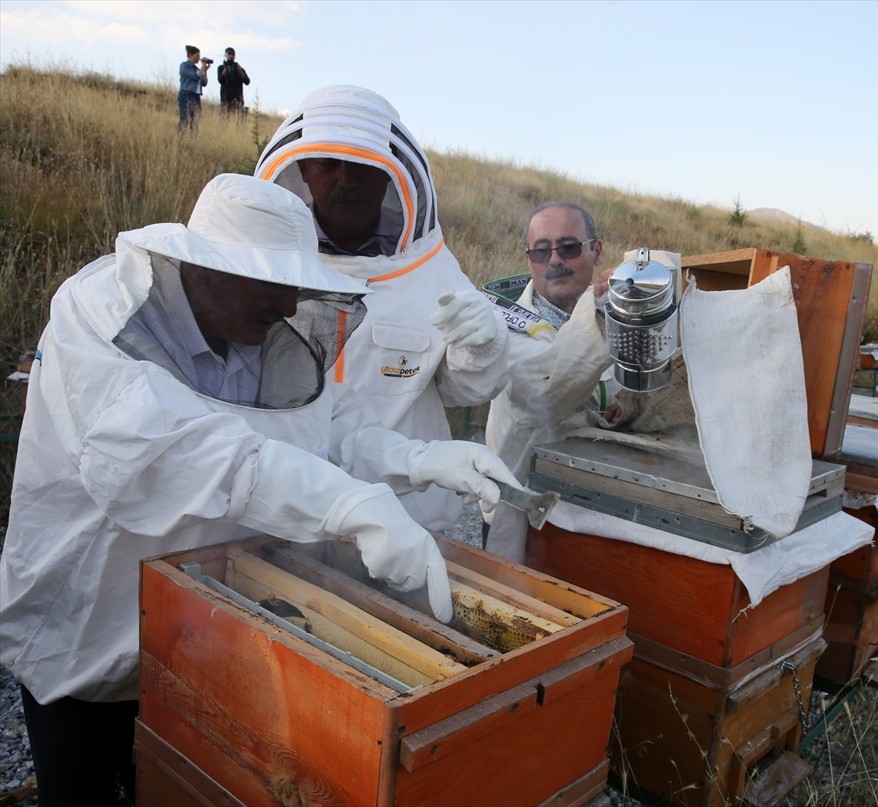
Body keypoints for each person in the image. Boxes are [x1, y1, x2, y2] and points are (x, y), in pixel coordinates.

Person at [0, 173, 520, 806]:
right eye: (270, 284)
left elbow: (327, 433)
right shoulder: (98, 319)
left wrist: (420, 458)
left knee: (176, 783)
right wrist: (345, 505)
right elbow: (178, 454)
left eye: (294, 288)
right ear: (203, 269)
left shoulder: (264, 336)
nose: (284, 306)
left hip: (200, 625)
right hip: (88, 620)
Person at [255, 84, 510, 532]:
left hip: (410, 517)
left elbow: (464, 392)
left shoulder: (429, 268)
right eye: (328, 164)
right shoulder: (265, 263)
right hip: (290, 513)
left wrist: (482, 347)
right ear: (303, 171)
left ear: (389, 174)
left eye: (362, 166)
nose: (346, 180)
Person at [483, 202, 630, 561]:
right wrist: (595, 314)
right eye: (541, 250)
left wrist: (624, 409)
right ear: (528, 258)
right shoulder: (500, 324)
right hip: (521, 501)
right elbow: (544, 393)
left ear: (596, 250)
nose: (554, 260)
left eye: (568, 247)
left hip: (593, 508)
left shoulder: (618, 315)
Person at [177, 45, 209, 132]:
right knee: (185, 119)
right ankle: (179, 139)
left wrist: (205, 71)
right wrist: (202, 67)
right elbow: (194, 76)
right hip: (186, 95)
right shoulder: (184, 66)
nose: (199, 58)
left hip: (196, 96)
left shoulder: (197, 69)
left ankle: (193, 141)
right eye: (197, 56)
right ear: (190, 54)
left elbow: (204, 83)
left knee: (195, 121)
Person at [216, 46, 250, 117]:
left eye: (232, 54)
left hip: (238, 99)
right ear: (225, 55)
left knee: (237, 119)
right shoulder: (221, 68)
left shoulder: (239, 68)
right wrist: (224, 72)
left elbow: (247, 81)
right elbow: (220, 80)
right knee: (224, 118)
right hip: (225, 99)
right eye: (229, 54)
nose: (231, 56)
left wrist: (240, 71)